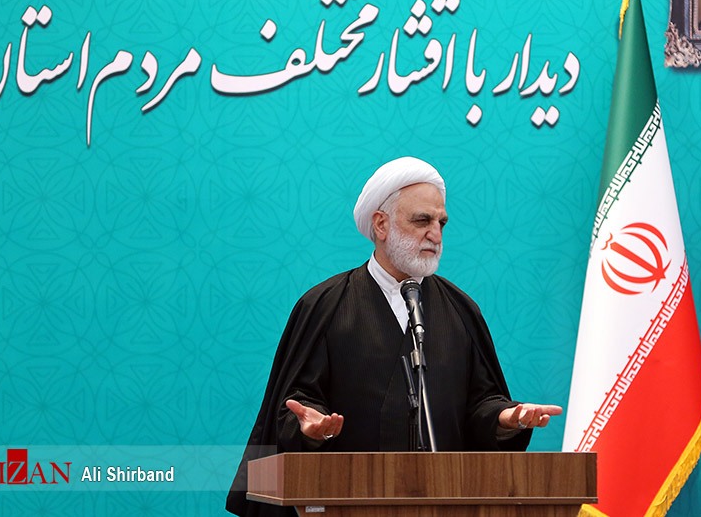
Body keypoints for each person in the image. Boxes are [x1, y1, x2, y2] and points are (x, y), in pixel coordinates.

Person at [226, 156, 562, 516]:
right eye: (422, 220)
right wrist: (311, 426)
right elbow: (297, 403)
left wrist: (504, 418)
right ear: (381, 224)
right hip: (347, 498)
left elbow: (479, 403)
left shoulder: (461, 310)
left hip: (442, 501)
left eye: (441, 223)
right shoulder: (325, 306)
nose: (435, 234)